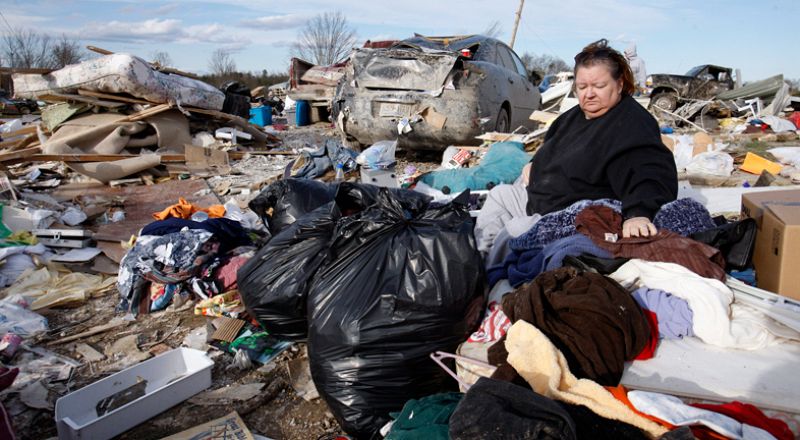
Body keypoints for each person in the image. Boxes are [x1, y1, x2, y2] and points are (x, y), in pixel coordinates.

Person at [523, 39, 677, 238]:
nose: (589, 94)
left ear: (619, 84)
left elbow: (649, 171)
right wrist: (534, 163)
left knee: (512, 235)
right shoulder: (570, 118)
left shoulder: (631, 123)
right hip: (535, 198)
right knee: (499, 197)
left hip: (564, 213)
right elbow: (551, 147)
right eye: (582, 86)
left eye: (599, 86)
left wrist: (639, 213)